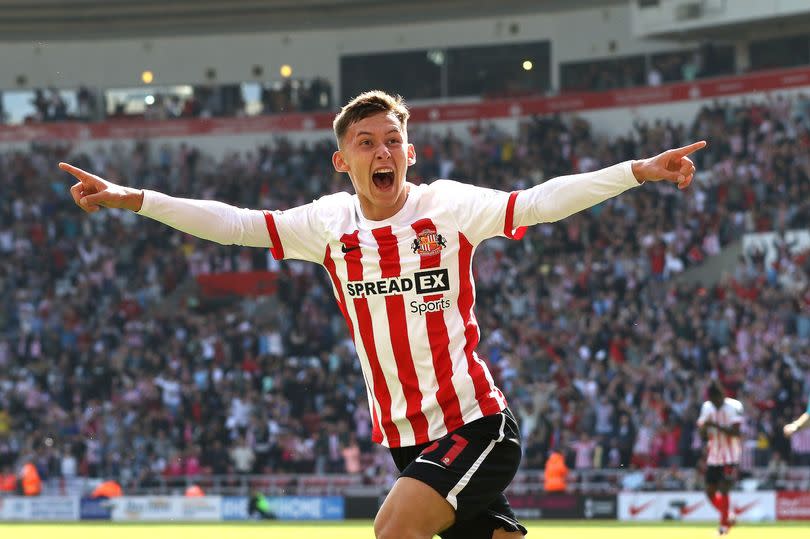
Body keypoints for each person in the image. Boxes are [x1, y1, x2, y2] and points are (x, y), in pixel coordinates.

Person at [59, 90, 705, 539]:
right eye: (365, 143)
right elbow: (231, 225)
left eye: (392, 140)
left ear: (411, 152)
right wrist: (133, 198)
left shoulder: (446, 208)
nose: (382, 152)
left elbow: (536, 202)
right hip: (405, 438)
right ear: (344, 162)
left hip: (476, 424)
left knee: (392, 526)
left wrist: (635, 172)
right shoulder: (328, 226)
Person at [697, 380, 743, 536]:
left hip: (730, 456)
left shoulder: (734, 407)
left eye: (717, 399)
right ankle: (727, 516)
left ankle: (723, 526)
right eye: (712, 400)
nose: (715, 403)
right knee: (710, 492)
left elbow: (736, 433)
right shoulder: (706, 407)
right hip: (714, 455)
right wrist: (703, 428)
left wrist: (714, 425)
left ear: (722, 395)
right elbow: (702, 434)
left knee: (724, 488)